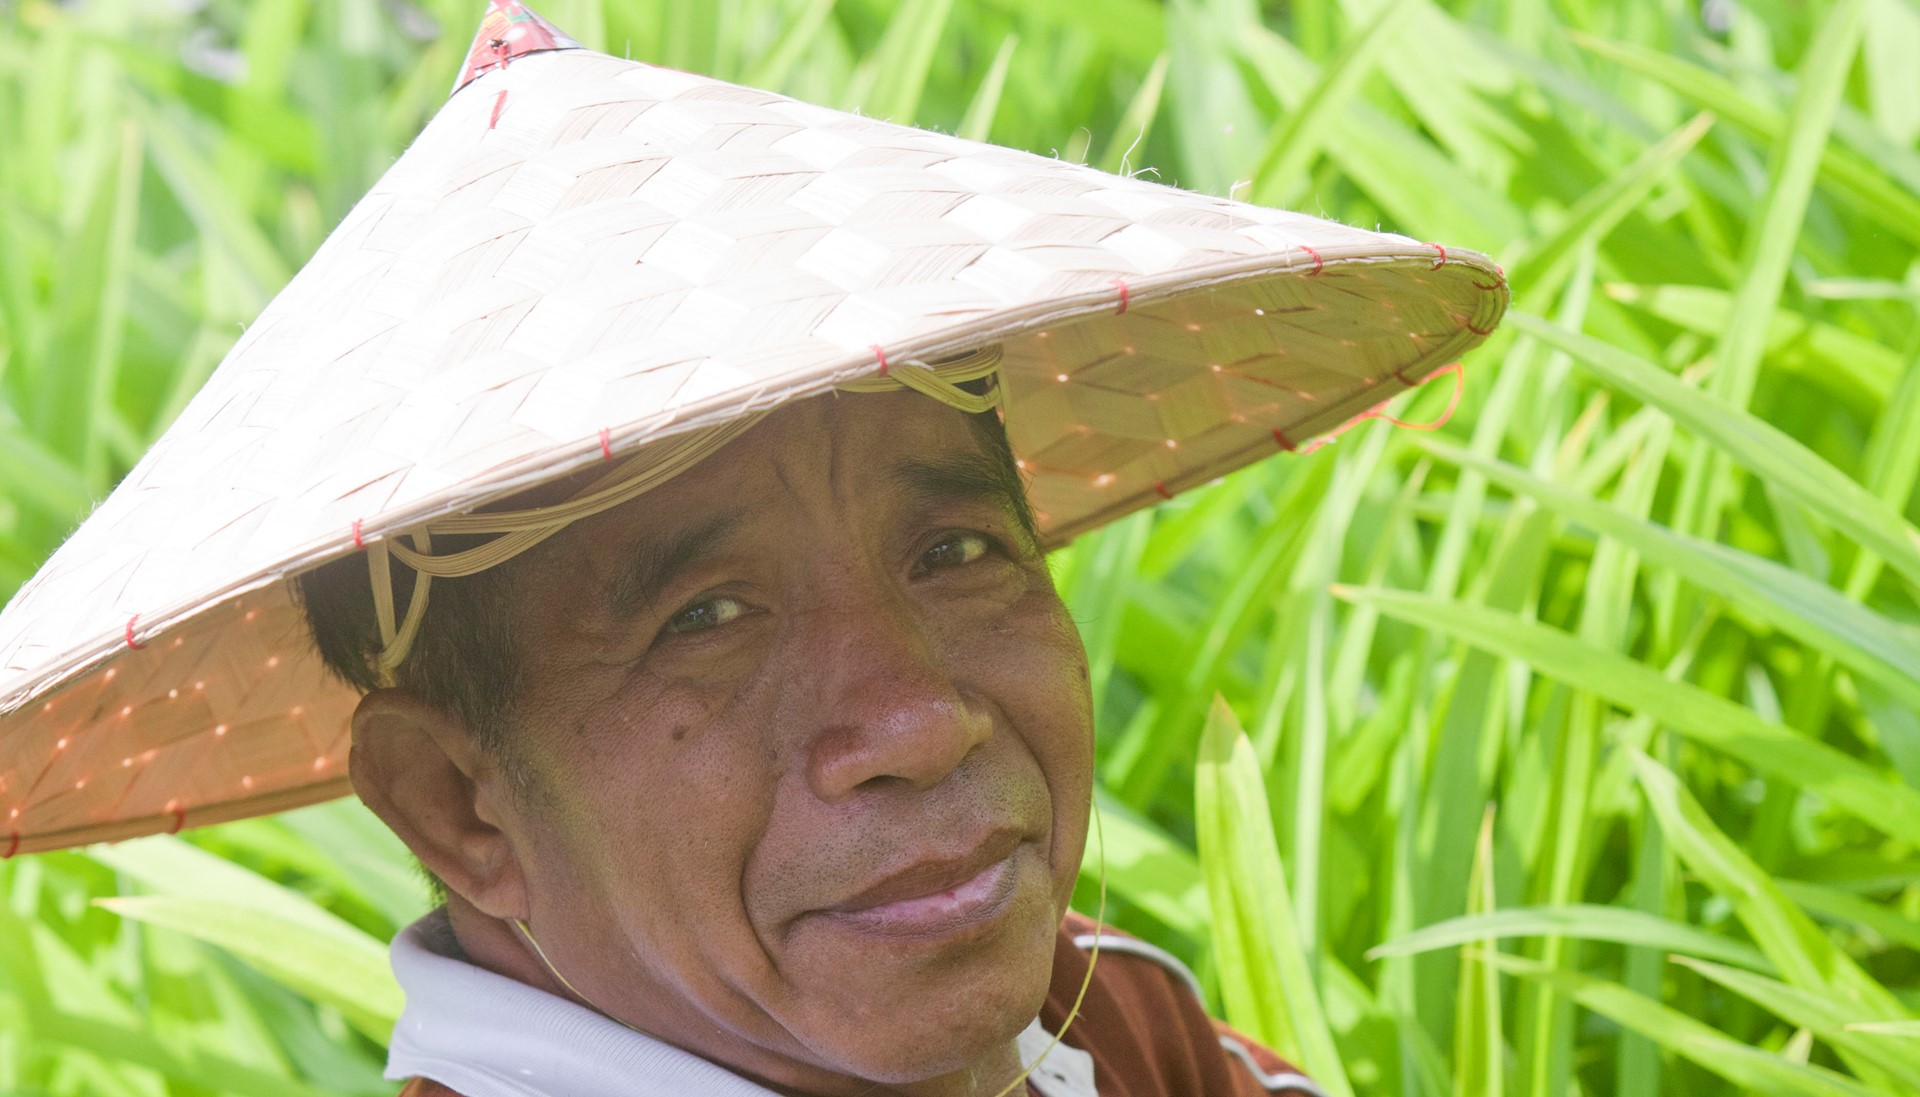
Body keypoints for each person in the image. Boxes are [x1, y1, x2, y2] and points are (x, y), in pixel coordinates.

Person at [0, 3, 1506, 1093]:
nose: (922, 718)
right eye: (709, 614)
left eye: (958, 552)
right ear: (463, 807)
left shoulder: (1102, 1021)